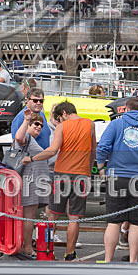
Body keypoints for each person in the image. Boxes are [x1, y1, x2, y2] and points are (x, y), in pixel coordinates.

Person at [23, 102, 95, 261]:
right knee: (74, 218)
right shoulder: (90, 124)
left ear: (64, 113)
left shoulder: (62, 127)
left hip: (61, 174)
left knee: (53, 215)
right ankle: (70, 254)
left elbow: (53, 150)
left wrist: (32, 158)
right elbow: (93, 151)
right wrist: (88, 171)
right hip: (81, 176)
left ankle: (47, 251)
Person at [97, 93, 138, 264]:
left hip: (117, 177)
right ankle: (134, 260)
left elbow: (103, 147)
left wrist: (101, 169)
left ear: (126, 109)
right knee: (137, 223)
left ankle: (107, 260)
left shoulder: (116, 123)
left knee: (114, 222)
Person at [14, 110, 50, 257]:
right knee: (29, 216)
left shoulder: (32, 139)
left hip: (33, 182)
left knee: (29, 216)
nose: (39, 127)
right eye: (36, 123)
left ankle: (24, 245)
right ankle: (27, 247)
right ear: (28, 124)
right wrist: (26, 119)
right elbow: (18, 137)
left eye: (41, 125)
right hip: (30, 182)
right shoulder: (27, 137)